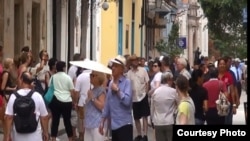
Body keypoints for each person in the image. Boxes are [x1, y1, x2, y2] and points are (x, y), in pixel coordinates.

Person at [4, 71, 49, 141]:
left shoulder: (13, 96)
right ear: (31, 82)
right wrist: (45, 132)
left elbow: (9, 117)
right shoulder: (37, 96)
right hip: (35, 136)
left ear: (21, 80)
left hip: (18, 137)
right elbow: (44, 117)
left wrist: (7, 135)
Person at [99, 55, 133, 141]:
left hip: (124, 124)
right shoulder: (110, 83)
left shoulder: (127, 82)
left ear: (122, 69)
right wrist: (102, 120)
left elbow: (127, 102)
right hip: (114, 126)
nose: (113, 68)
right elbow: (107, 104)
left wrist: (118, 91)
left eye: (116, 66)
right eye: (113, 65)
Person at [48, 61, 76, 141]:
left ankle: (53, 138)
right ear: (64, 68)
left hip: (55, 100)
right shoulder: (67, 78)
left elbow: (50, 87)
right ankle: (70, 138)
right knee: (67, 121)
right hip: (67, 102)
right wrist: (74, 102)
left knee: (55, 121)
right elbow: (72, 91)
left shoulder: (53, 77)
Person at [127, 54, 150, 141]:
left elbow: (147, 82)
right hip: (134, 97)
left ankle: (145, 135)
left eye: (136, 60)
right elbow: (128, 85)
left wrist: (146, 93)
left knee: (145, 116)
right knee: (136, 117)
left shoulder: (143, 70)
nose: (135, 62)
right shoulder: (129, 73)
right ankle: (139, 134)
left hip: (143, 95)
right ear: (131, 62)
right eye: (133, 60)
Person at [151, 72, 178, 141]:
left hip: (158, 122)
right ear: (168, 80)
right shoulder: (173, 92)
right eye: (172, 80)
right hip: (170, 121)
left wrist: (152, 120)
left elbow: (152, 108)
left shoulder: (155, 92)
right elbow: (178, 104)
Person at [84, 71, 106, 141]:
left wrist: (92, 98)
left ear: (98, 77)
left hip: (97, 124)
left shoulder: (101, 90)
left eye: (92, 75)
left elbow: (102, 106)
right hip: (89, 123)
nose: (90, 77)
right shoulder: (92, 90)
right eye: (90, 75)